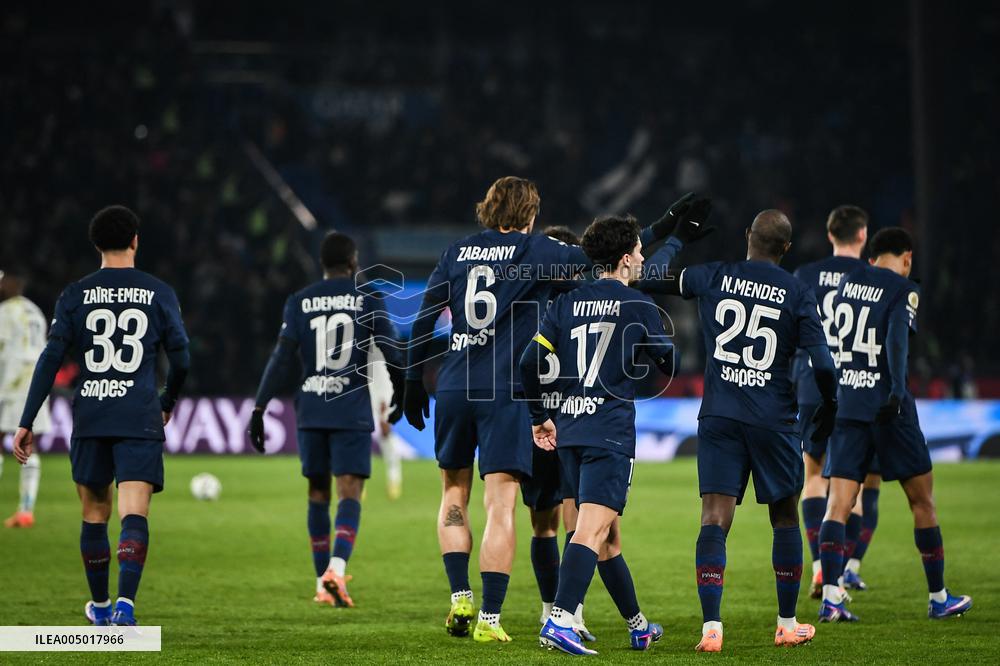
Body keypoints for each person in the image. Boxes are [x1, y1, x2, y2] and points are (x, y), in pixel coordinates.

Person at [404, 177, 706, 642]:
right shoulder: (538, 253)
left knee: (453, 493)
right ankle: (508, 617)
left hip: (460, 386)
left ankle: (460, 595)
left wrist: (411, 379)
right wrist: (666, 226)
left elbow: (424, 318)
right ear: (529, 215)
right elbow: (611, 255)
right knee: (513, 507)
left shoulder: (456, 252)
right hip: (518, 398)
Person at [637, 210, 835, 651]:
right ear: (785, 248)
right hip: (774, 420)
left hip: (720, 416)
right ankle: (786, 623)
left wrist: (675, 239)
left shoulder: (715, 276)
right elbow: (823, 364)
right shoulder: (797, 291)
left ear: (747, 236)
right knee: (784, 518)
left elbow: (644, 278)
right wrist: (830, 408)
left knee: (713, 519)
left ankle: (712, 628)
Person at [521, 214, 698, 655]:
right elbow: (668, 365)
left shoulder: (566, 303)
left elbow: (529, 362)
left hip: (570, 427)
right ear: (624, 259)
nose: (642, 258)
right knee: (591, 530)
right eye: (639, 251)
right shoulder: (638, 307)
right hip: (610, 432)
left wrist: (539, 416)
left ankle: (638, 626)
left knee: (607, 536)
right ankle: (560, 620)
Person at [12, 205, 190, 627]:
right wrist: (167, 401)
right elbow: (181, 360)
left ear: (96, 244)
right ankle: (127, 607)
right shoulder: (158, 292)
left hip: (92, 413)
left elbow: (50, 358)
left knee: (94, 514)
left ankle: (102, 609)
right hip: (138, 415)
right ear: (135, 241)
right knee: (134, 513)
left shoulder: (75, 294)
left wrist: (26, 419)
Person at [817, 227, 972, 622]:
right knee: (922, 502)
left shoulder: (849, 282)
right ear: (907, 258)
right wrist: (897, 391)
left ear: (872, 255)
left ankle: (832, 597)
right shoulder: (903, 290)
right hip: (889, 408)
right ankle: (938, 598)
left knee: (838, 504)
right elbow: (898, 341)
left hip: (848, 404)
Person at [248, 232, 404, 608]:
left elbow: (280, 358)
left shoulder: (300, 301)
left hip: (312, 409)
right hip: (349, 410)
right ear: (353, 263)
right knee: (348, 491)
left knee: (317, 494)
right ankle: (336, 568)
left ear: (323, 265)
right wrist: (402, 391)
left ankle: (322, 583)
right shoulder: (368, 297)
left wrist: (258, 408)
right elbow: (392, 347)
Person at [792, 205, 879, 596]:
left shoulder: (805, 276)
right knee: (850, 483)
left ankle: (817, 565)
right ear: (862, 235)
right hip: (859, 390)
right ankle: (838, 571)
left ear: (830, 235)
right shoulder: (875, 280)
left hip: (811, 385)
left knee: (812, 476)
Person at [0, 267, 50, 528]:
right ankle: (26, 510)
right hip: (36, 382)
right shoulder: (33, 309)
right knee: (30, 445)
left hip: (11, 381)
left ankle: (25, 511)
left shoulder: (5, 313)